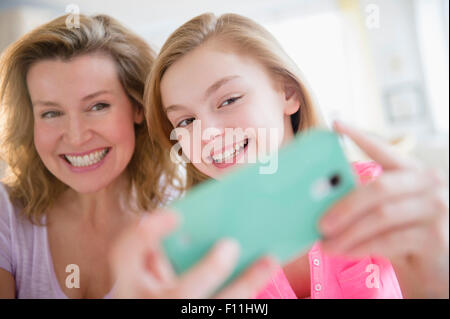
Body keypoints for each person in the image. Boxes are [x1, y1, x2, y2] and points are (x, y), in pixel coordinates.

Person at [110, 12, 449, 298]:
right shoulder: (186, 253)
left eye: (228, 100)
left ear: (288, 93)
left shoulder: (378, 196)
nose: (207, 134)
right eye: (185, 120)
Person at [0, 13, 275, 299]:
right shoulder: (6, 213)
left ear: (137, 107)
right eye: (51, 113)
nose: (76, 135)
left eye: (97, 106)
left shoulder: (187, 216)